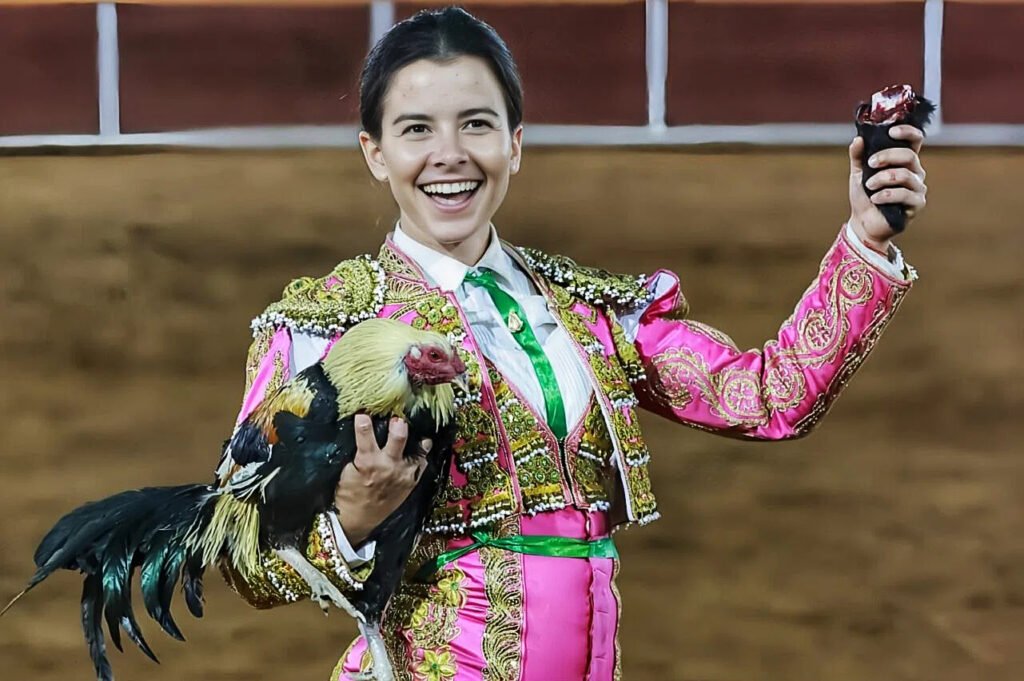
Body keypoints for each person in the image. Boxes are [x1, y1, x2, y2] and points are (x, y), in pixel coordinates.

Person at [222, 7, 927, 680]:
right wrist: (353, 519)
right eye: (416, 130)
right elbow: (242, 551)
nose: (450, 155)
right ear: (375, 153)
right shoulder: (328, 326)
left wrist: (863, 240)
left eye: (477, 124)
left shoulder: (589, 311)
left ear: (515, 141)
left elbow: (769, 397)